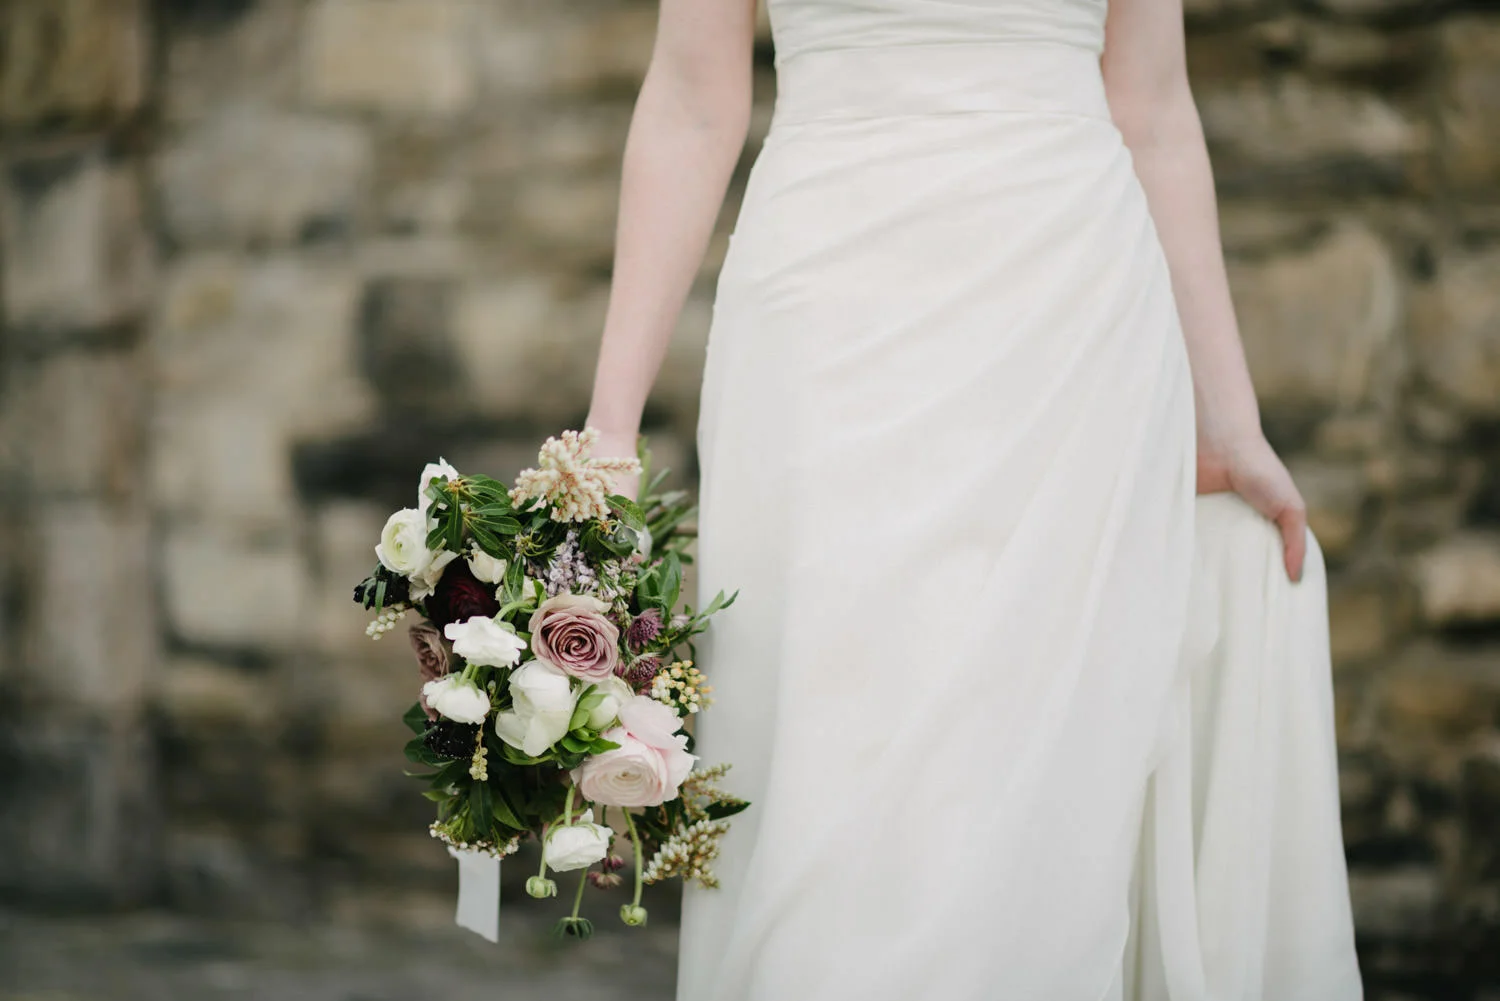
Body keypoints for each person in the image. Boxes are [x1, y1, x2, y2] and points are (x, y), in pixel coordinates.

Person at [581, 0, 1364, 997]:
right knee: (833, 744)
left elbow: (1153, 105)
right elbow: (694, 98)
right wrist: (609, 431)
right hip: (826, 322)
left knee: (1038, 768)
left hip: (1070, 320)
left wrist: (1229, 418)